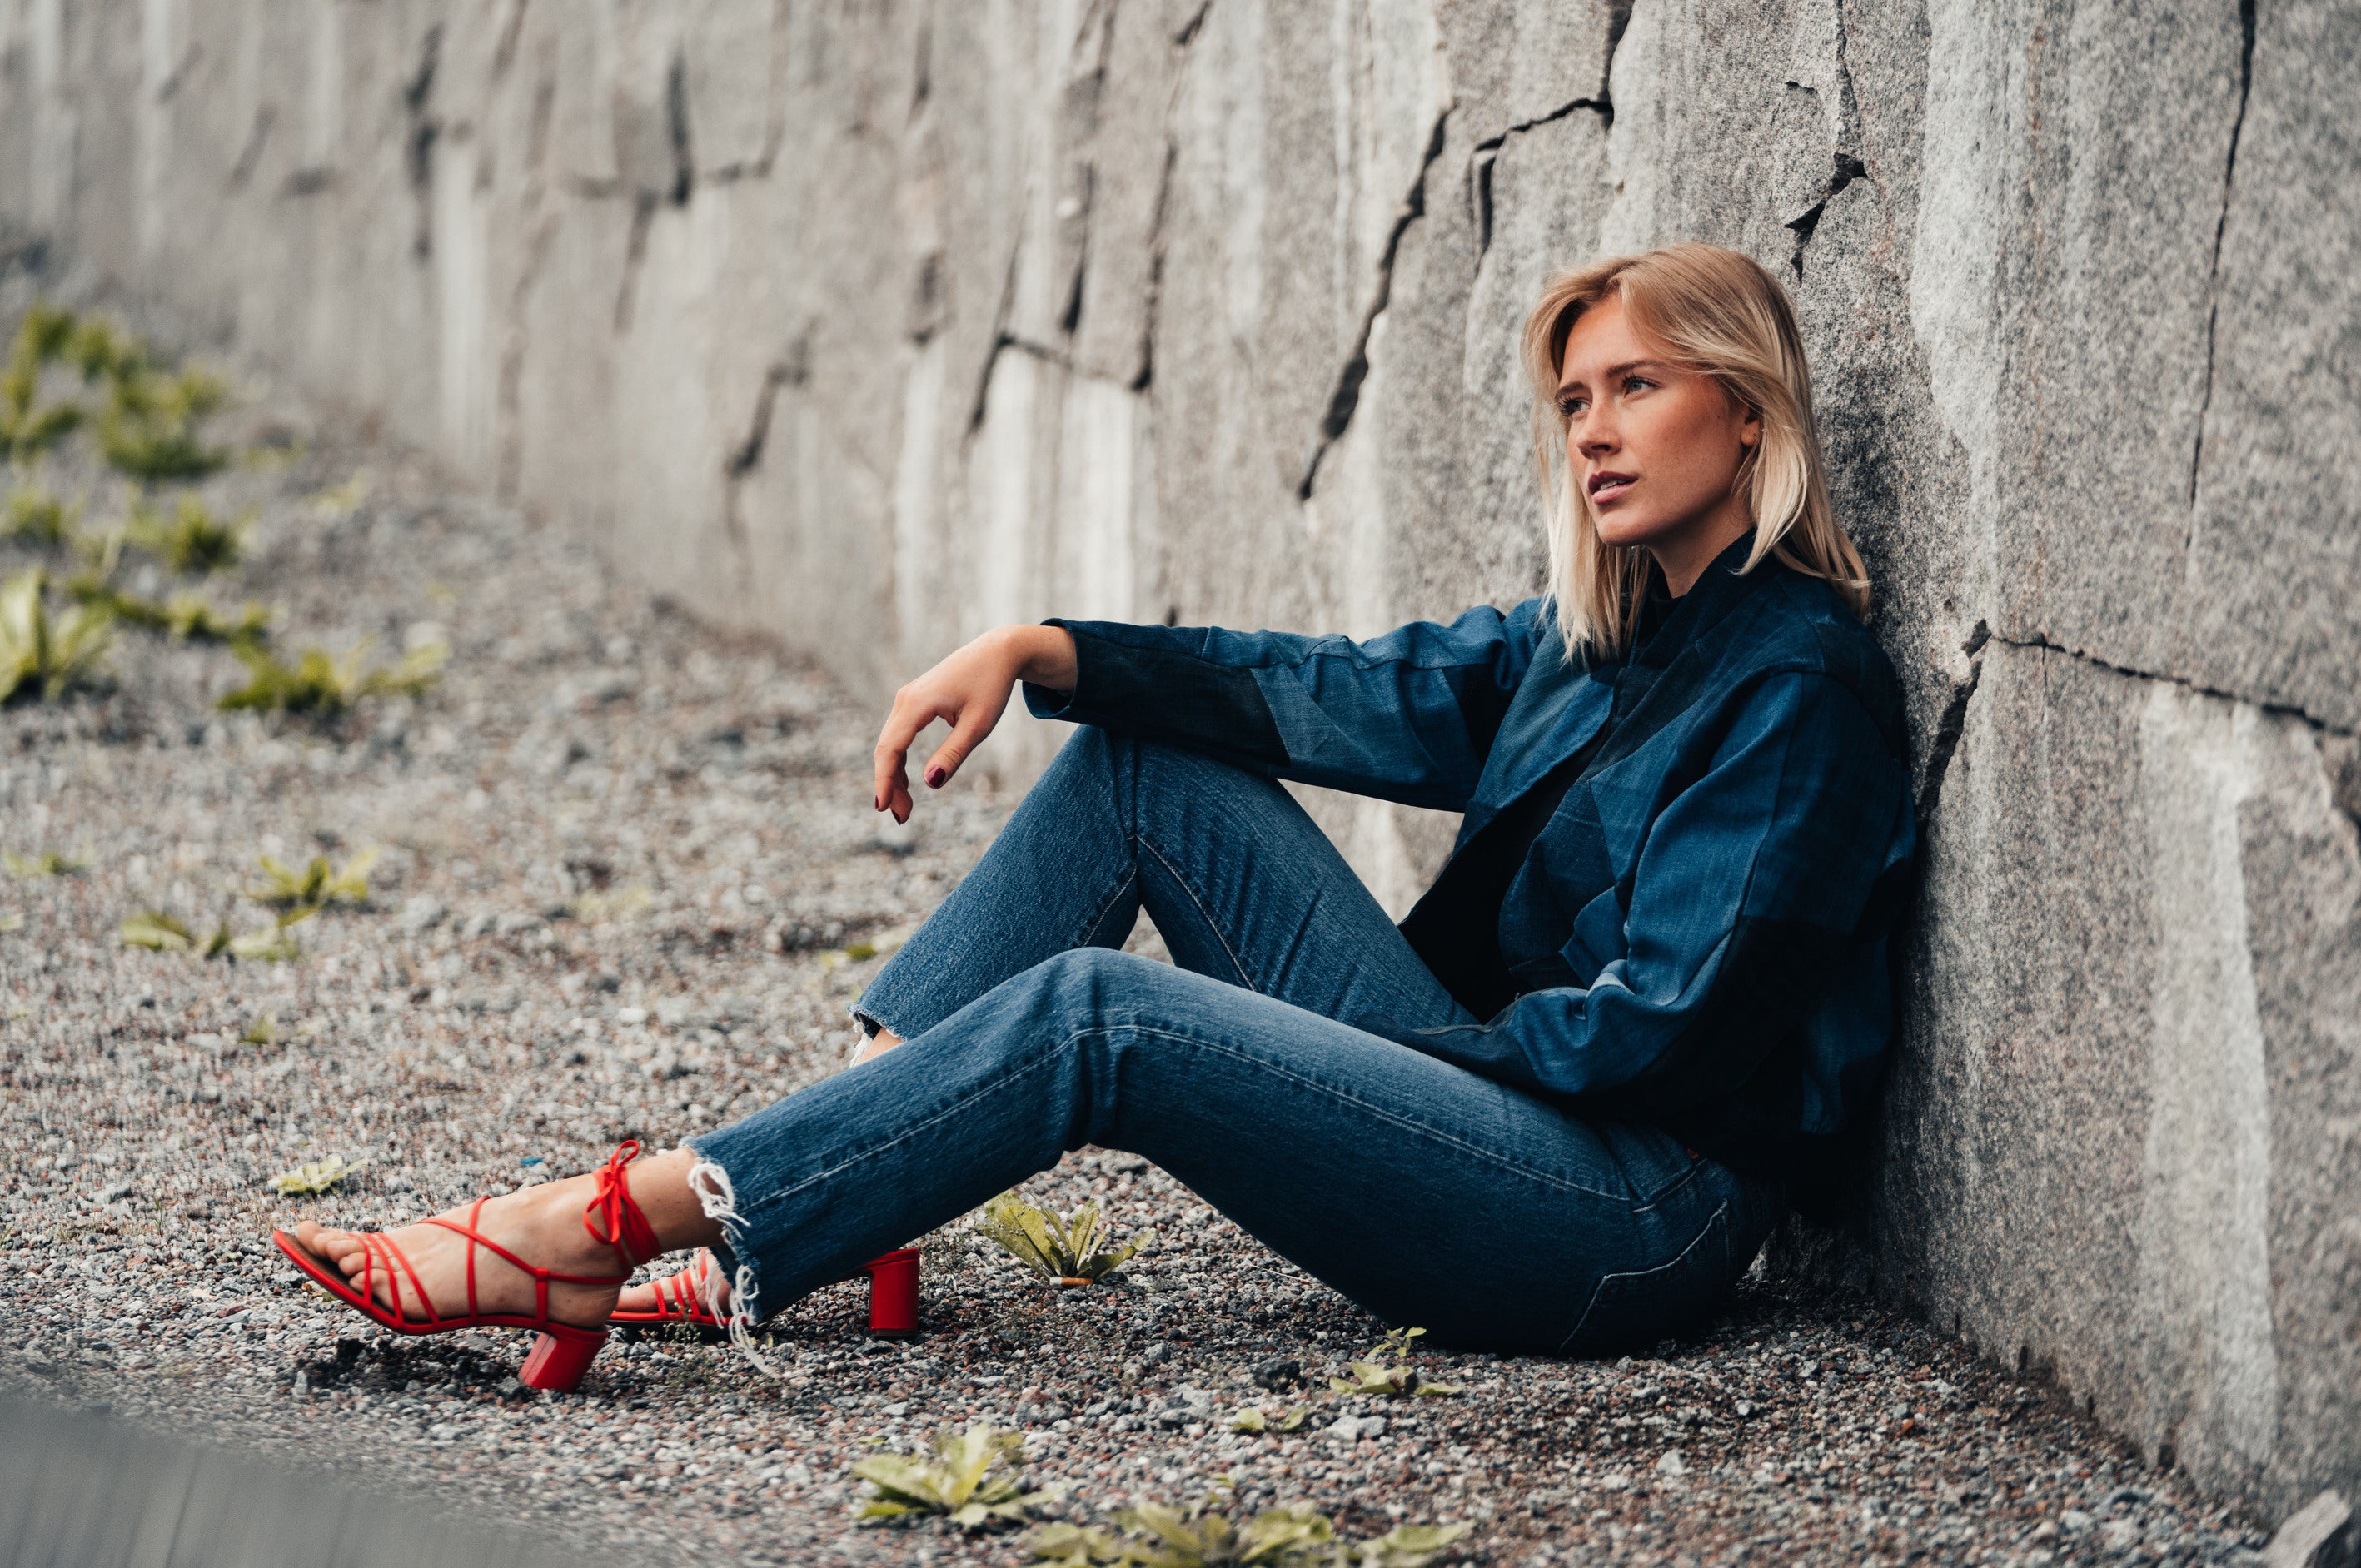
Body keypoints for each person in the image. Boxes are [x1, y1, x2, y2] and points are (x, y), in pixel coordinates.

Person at [274, 243, 1915, 1390]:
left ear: (1747, 412)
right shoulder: (1598, 636)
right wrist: (1041, 647)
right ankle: (863, 1144)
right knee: (1140, 765)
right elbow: (1335, 688)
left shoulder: (1795, 692)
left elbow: (1667, 1038)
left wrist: (1382, 1063)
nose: (1594, 431)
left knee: (1101, 1018)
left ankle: (602, 1226)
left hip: (1624, 1213)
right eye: (1573, 401)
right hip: (1508, 1101)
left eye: (1636, 386)